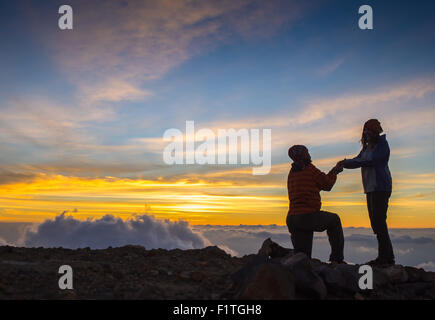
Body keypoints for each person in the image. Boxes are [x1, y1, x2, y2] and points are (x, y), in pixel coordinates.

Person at [338, 119, 395, 266]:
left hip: (380, 187)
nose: (367, 133)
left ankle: (386, 258)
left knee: (379, 222)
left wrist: (348, 163)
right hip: (370, 188)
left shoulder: (382, 145)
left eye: (370, 130)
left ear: (376, 131)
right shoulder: (367, 147)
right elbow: (359, 160)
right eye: (365, 130)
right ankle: (385, 257)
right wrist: (345, 163)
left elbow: (370, 161)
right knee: (376, 223)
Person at [286, 145, 345, 264]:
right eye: (307, 153)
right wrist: (335, 171)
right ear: (304, 156)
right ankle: (337, 260)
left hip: (293, 218)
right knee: (334, 220)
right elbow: (327, 184)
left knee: (302, 259)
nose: (309, 155)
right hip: (308, 216)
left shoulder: (292, 173)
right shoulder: (309, 169)